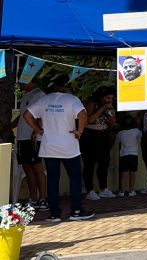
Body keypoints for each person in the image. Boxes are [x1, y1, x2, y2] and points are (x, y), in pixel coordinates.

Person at [23, 73, 94, 222]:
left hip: (49, 146)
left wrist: (38, 129)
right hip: (69, 146)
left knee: (53, 180)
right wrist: (79, 131)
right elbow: (82, 114)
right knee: (75, 178)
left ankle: (54, 214)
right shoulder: (72, 99)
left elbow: (27, 115)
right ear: (68, 86)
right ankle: (76, 211)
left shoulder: (45, 99)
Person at [7, 79, 48, 210]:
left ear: (33, 80)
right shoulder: (26, 95)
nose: (20, 84)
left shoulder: (39, 95)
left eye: (24, 81)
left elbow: (41, 115)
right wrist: (7, 128)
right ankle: (33, 199)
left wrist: (36, 132)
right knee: (27, 168)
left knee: (37, 168)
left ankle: (42, 199)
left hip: (33, 138)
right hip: (22, 137)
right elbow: (22, 116)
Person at [81, 86, 117, 200]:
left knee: (104, 162)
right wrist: (102, 108)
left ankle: (103, 188)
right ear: (101, 97)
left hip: (103, 134)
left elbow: (112, 123)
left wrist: (110, 115)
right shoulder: (92, 103)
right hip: (90, 135)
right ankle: (89, 190)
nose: (109, 100)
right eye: (107, 98)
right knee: (89, 164)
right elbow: (89, 119)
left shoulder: (109, 107)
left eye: (111, 98)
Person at [116, 115, 142, 196]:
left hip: (123, 155)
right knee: (132, 173)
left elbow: (117, 141)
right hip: (133, 155)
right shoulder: (136, 131)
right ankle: (131, 191)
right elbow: (141, 134)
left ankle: (122, 191)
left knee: (123, 173)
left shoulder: (120, 133)